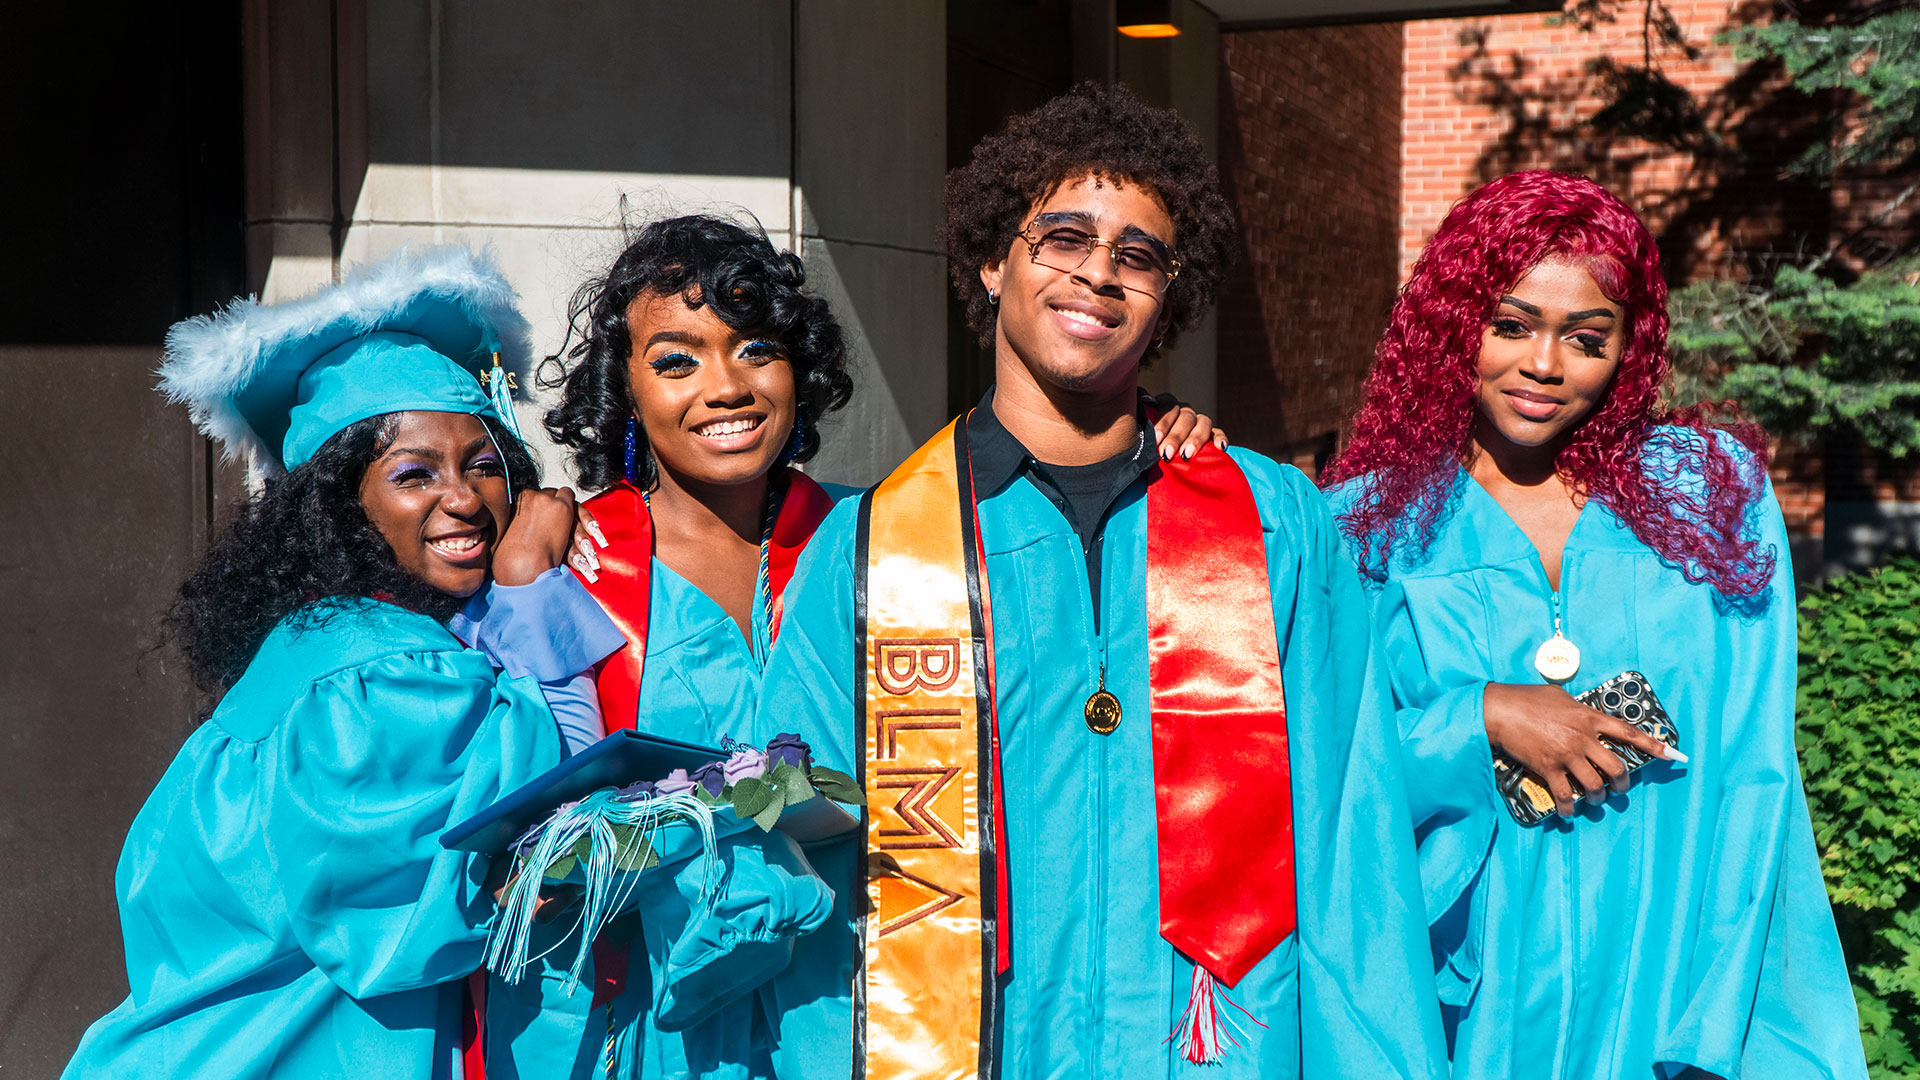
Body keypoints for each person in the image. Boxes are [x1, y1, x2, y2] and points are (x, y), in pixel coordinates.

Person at [745, 82, 1447, 1079]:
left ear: (1168, 300)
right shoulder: (872, 552)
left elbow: (1349, 844)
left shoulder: (1271, 524)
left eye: (1138, 256)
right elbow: (803, 852)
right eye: (1063, 238)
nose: (1098, 274)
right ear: (993, 260)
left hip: (1220, 1050)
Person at [511, 213, 1229, 1079]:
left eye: (756, 350)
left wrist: (1150, 425)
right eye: (676, 362)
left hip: (852, 1010)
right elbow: (527, 821)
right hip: (654, 1022)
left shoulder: (887, 541)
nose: (726, 386)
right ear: (624, 390)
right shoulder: (571, 567)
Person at [1321, 170, 1867, 1079]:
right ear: (1455, 325)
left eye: (1586, 338)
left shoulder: (1706, 496)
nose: (1544, 365)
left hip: (1662, 966)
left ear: (1628, 350)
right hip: (1464, 1000)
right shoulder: (1368, 529)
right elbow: (1326, 786)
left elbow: (1754, 767)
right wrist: (1479, 718)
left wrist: (1718, 1024)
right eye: (1510, 325)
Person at [60, 245, 630, 1079]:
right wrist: (528, 584)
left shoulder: (308, 651)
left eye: (484, 466)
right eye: (413, 474)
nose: (463, 499)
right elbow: (565, 811)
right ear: (340, 507)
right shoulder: (380, 676)